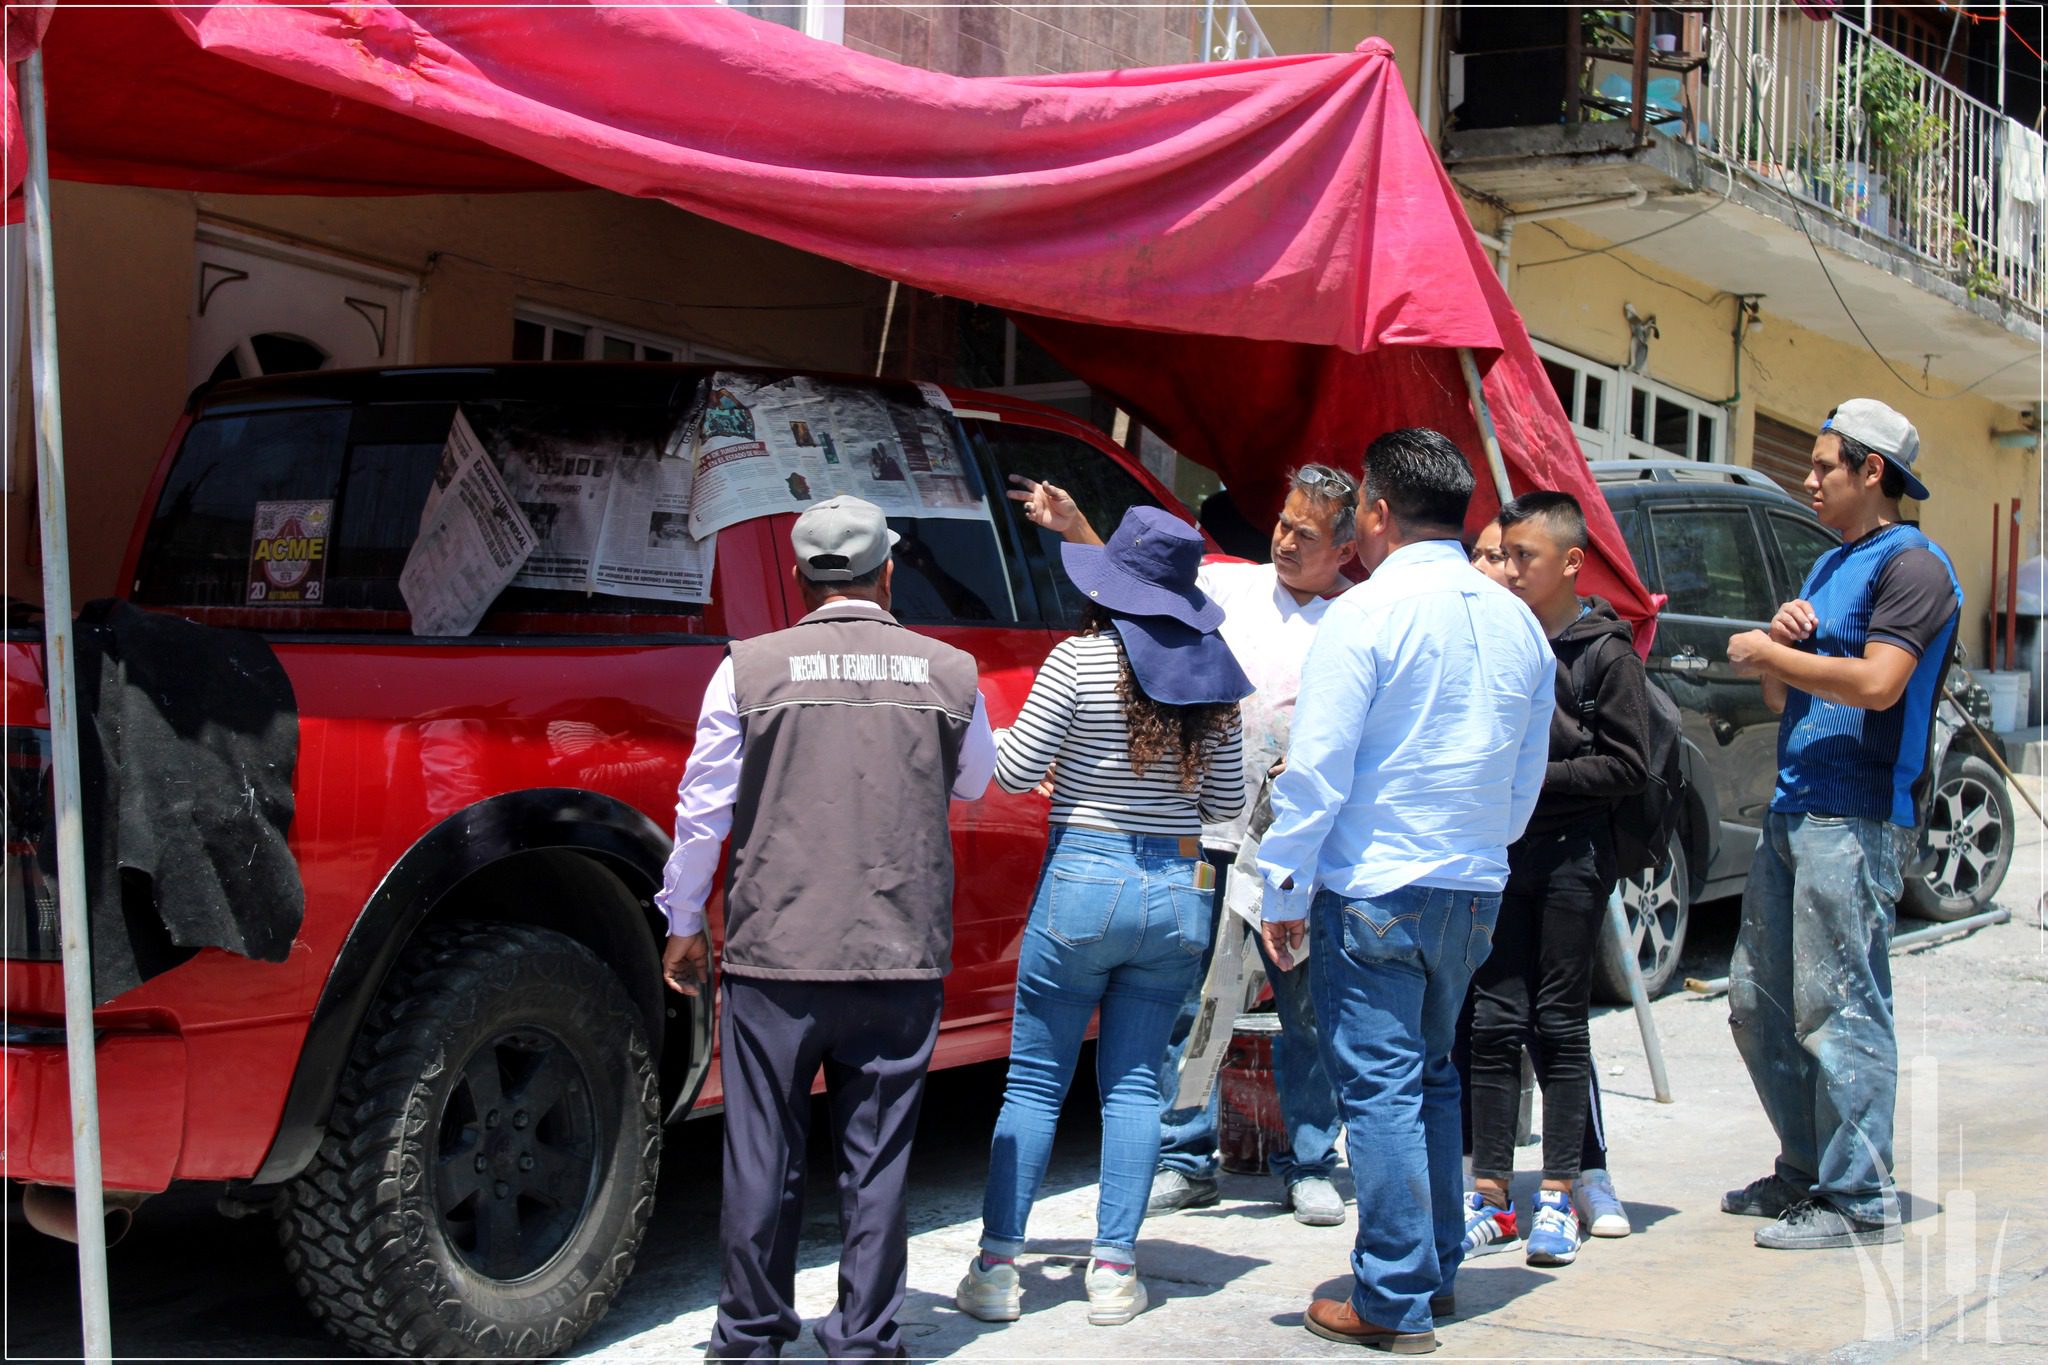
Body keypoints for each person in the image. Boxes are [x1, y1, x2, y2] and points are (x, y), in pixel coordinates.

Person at [656, 495, 997, 1359]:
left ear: (801, 580)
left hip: (779, 953)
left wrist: (684, 917)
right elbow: (975, 785)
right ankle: (865, 1337)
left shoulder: (747, 666)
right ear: (889, 571)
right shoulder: (951, 671)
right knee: (876, 1161)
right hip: (899, 951)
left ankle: (751, 1332)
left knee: (760, 1153)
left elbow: (703, 808)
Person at [1255, 428, 1553, 1353]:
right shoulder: (1519, 621)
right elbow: (1523, 781)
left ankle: (1390, 1296)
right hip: (1471, 886)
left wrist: (1283, 884)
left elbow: (1316, 770)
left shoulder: (1366, 614)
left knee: (1383, 1090)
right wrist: (1476, 848)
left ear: (1377, 512)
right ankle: (1430, 1273)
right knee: (1430, 1078)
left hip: (1378, 886)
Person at [1008, 469, 1353, 1227]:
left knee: (1306, 1010)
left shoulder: (1360, 620)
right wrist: (1076, 528)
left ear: (1347, 545)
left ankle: (1311, 1159)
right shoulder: (1232, 587)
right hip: (1210, 838)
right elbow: (1142, 584)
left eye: (1308, 533)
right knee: (1186, 1001)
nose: (1287, 540)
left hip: (1303, 850)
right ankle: (1182, 1155)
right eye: (1285, 522)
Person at [956, 506, 1248, 1328]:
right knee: (1131, 1087)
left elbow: (1012, 772)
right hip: (1177, 892)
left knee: (1036, 1080)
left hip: (1083, 875)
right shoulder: (1216, 675)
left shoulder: (1076, 659)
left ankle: (999, 1268)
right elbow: (1225, 803)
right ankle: (1115, 1270)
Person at [1722, 399, 1960, 1251]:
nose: (1809, 478)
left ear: (1874, 473)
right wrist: (1786, 642)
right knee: (1759, 1001)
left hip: (1855, 815)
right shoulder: (1828, 571)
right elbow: (1788, 698)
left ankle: (1858, 1194)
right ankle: (1804, 1167)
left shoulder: (1915, 567)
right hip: (1796, 807)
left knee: (1840, 1004)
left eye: (1826, 466)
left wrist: (1768, 651)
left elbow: (1878, 685)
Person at [1461, 492, 1648, 1269]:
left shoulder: (1605, 650)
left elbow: (1628, 763)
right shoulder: (1497, 634)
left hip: (1573, 855)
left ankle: (1561, 1194)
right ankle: (1492, 1194)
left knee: (1561, 1024)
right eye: (1501, 555)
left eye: (1522, 558)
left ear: (1571, 563)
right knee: (1494, 1021)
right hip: (1503, 853)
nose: (1507, 569)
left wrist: (1530, 777)